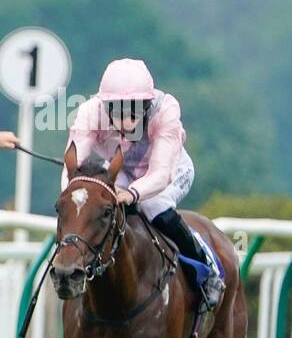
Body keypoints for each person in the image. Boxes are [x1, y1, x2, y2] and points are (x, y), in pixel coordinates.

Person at [63, 57, 223, 310]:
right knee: (94, 209)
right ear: (105, 105)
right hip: (123, 171)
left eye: (134, 109)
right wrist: (75, 196)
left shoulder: (166, 109)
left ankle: (207, 270)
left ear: (147, 104)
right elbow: (72, 169)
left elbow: (160, 174)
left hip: (170, 172)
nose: (127, 121)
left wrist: (132, 194)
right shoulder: (89, 111)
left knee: (153, 205)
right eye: (118, 109)